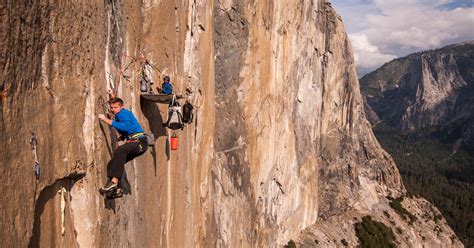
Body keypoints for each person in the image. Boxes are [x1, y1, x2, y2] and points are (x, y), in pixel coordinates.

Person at [98, 97, 148, 196]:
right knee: (115, 162)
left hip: (139, 142)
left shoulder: (123, 113)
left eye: (115, 108)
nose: (112, 109)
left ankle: (114, 183)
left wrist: (106, 120)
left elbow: (126, 126)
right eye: (111, 107)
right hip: (136, 142)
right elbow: (126, 128)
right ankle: (117, 190)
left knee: (120, 151)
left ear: (121, 107)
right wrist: (112, 95)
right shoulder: (119, 114)